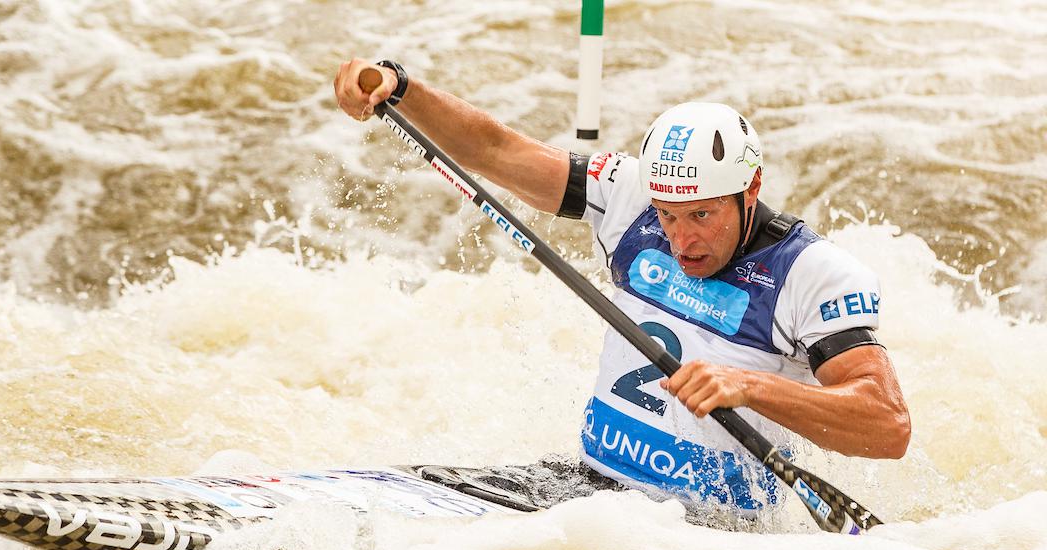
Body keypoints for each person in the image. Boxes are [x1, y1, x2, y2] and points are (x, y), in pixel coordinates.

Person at [333, 59, 911, 518]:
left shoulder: (811, 275)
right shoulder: (628, 197)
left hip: (696, 534)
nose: (681, 240)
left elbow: (888, 426)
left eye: (703, 217)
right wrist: (401, 88)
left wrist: (748, 385)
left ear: (751, 187)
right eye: (667, 215)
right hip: (584, 496)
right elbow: (495, 150)